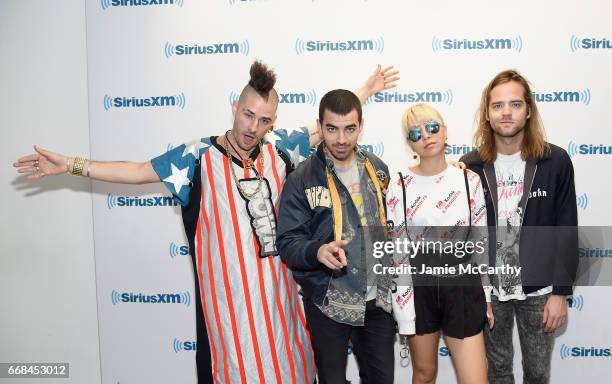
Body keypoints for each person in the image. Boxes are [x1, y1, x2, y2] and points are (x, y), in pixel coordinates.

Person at [13, 61, 399, 384]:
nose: (253, 127)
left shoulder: (282, 147)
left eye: (264, 120)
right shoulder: (196, 157)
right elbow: (137, 171)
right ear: (234, 106)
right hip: (227, 321)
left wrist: (366, 89)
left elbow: (332, 127)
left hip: (283, 316)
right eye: (248, 114)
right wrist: (72, 165)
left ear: (273, 122)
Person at [460, 69, 579, 384]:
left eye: (514, 104)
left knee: (538, 374)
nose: (506, 112)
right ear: (487, 113)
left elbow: (566, 228)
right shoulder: (470, 165)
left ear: (528, 111)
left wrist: (561, 293)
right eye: (498, 105)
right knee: (497, 373)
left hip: (539, 289)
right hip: (489, 291)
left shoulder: (555, 161)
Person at [276, 89, 396, 384]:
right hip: (327, 303)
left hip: (376, 304)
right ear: (320, 126)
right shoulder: (301, 178)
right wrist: (316, 251)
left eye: (349, 129)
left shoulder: (377, 169)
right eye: (332, 129)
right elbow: (288, 242)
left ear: (361, 126)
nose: (341, 139)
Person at [387, 103, 493, 384]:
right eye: (415, 132)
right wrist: (405, 312)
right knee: (424, 374)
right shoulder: (399, 184)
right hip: (419, 287)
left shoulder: (469, 179)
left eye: (432, 127)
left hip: (462, 284)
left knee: (475, 379)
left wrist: (488, 296)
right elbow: (398, 252)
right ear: (409, 143)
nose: (426, 135)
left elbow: (480, 243)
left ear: (445, 131)